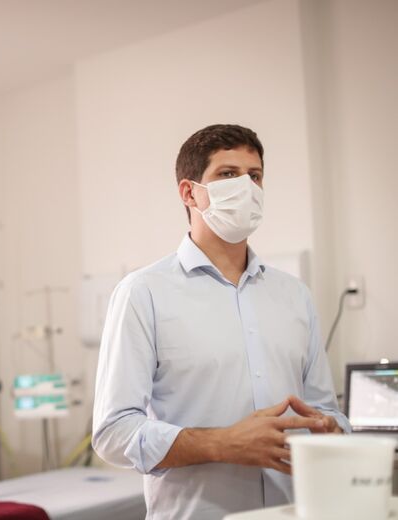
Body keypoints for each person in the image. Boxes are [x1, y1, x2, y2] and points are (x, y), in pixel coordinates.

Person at [91, 124, 350, 520]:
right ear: (189, 192)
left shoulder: (295, 296)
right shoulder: (143, 293)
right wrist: (222, 443)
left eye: (255, 176)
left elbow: (326, 411)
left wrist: (333, 431)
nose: (246, 187)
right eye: (228, 174)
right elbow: (114, 432)